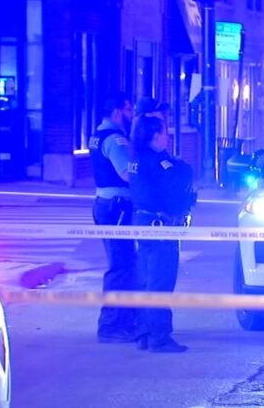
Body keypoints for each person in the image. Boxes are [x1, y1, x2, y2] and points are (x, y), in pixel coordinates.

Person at [129, 115, 197, 353]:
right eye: (165, 132)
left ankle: (144, 334)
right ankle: (159, 337)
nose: (167, 136)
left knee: (145, 280)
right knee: (161, 281)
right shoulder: (159, 161)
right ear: (155, 136)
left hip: (143, 223)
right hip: (160, 226)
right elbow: (181, 178)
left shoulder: (137, 158)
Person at [88, 93, 138, 343]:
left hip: (106, 205)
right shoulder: (116, 140)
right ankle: (111, 326)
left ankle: (124, 321)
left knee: (125, 264)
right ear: (118, 112)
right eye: (129, 110)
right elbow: (127, 173)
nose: (132, 115)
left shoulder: (98, 135)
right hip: (117, 207)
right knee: (121, 266)